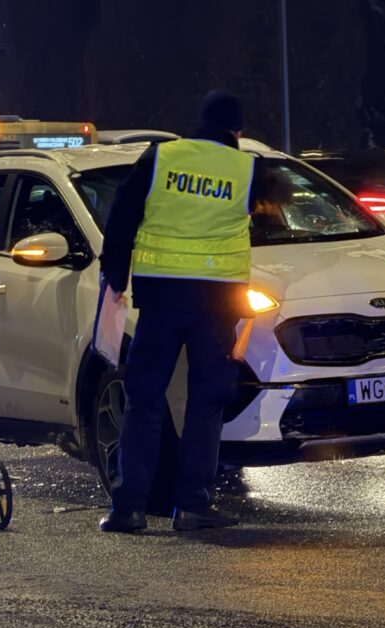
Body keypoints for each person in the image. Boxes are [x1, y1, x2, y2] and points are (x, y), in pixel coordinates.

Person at [98, 90, 259, 534]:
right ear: (236, 131)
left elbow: (123, 216)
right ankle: (192, 506)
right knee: (206, 403)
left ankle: (129, 508)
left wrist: (114, 276)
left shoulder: (161, 157)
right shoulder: (246, 169)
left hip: (161, 298)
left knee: (144, 399)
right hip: (217, 303)